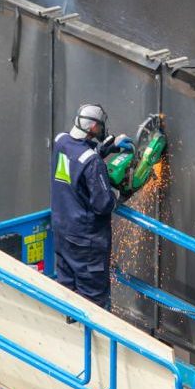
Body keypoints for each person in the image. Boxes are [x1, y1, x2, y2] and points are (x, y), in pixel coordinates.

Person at [50, 104, 130, 309]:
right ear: (94, 126)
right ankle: (94, 340)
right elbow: (103, 204)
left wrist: (107, 148)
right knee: (93, 301)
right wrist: (119, 195)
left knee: (66, 291)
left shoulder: (61, 141)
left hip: (62, 231)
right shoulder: (93, 162)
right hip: (86, 243)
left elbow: (77, 158)